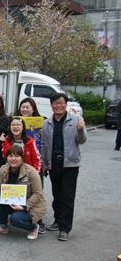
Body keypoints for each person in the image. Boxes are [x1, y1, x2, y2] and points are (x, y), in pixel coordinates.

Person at [41, 92, 87, 241]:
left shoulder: (75, 120)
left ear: (65, 104)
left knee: (67, 197)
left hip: (70, 164)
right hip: (54, 164)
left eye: (61, 103)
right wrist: (44, 163)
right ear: (51, 105)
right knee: (57, 195)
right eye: (55, 103)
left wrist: (80, 129)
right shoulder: (47, 123)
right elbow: (44, 146)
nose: (58, 105)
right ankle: (58, 220)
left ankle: (65, 228)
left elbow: (82, 140)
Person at [0, 146, 46, 240]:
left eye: (17, 156)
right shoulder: (3, 169)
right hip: (12, 202)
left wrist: (24, 206)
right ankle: (3, 226)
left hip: (30, 206)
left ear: (22, 158)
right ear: (6, 157)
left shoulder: (31, 172)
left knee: (15, 219)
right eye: (10, 156)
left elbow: (38, 193)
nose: (13, 159)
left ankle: (34, 227)